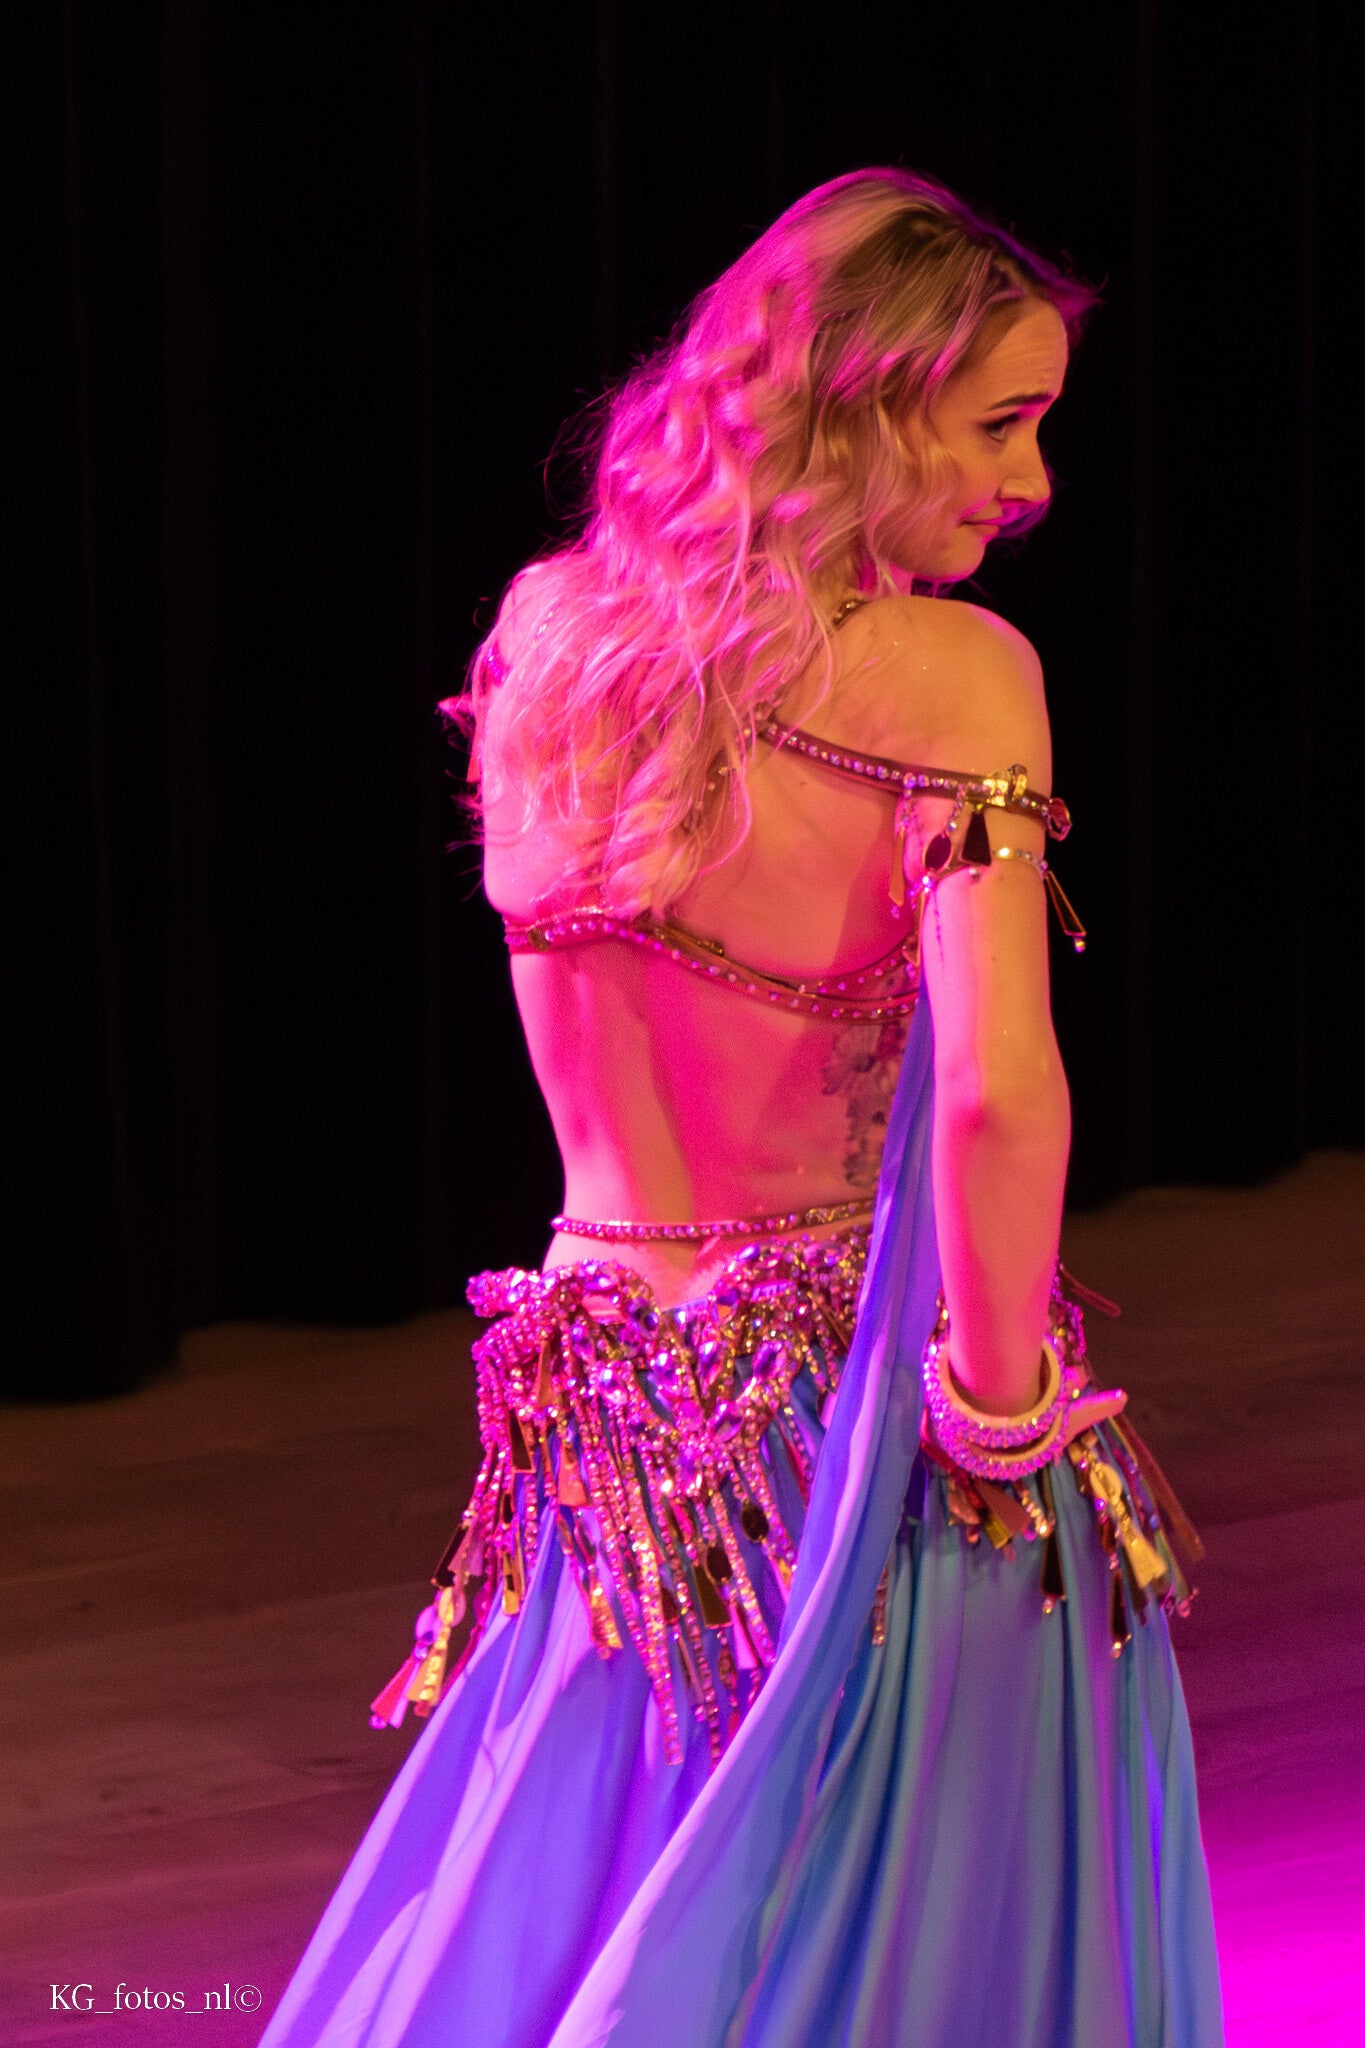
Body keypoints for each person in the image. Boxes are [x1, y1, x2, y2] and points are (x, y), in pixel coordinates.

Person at [259, 169, 1223, 2048]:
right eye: (998, 422)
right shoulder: (952, 677)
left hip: (601, 1405)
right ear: (859, 404)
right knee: (904, 1895)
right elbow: (996, 1090)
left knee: (593, 1840)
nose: (1029, 485)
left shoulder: (546, 641)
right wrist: (997, 1411)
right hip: (845, 1400)